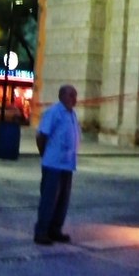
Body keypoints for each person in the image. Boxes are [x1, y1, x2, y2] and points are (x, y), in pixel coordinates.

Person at [34, 84, 81, 245]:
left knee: (63, 200)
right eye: (71, 95)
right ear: (61, 96)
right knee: (49, 199)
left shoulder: (72, 115)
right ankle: (41, 232)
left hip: (67, 165)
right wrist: (45, 155)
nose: (74, 99)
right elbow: (41, 136)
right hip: (53, 164)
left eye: (75, 96)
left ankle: (55, 229)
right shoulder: (54, 113)